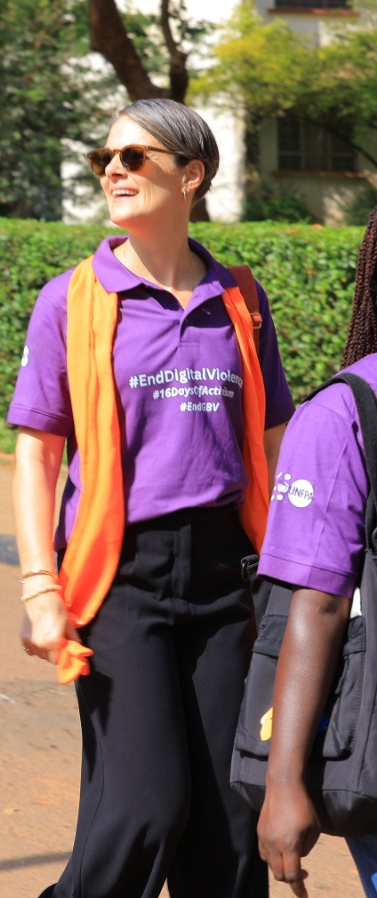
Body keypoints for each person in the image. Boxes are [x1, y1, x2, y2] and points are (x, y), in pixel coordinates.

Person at [11, 98, 294, 898]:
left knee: (232, 827)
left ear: (191, 173)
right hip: (120, 578)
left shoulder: (241, 299)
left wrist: (302, 565)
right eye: (106, 156)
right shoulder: (73, 299)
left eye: (134, 157)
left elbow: (274, 439)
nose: (112, 170)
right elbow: (38, 452)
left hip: (227, 574)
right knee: (141, 810)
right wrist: (41, 589)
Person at [254, 206, 377, 898]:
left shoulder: (341, 412)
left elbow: (323, 601)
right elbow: (318, 600)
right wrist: (284, 782)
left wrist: (282, 783)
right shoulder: (346, 414)